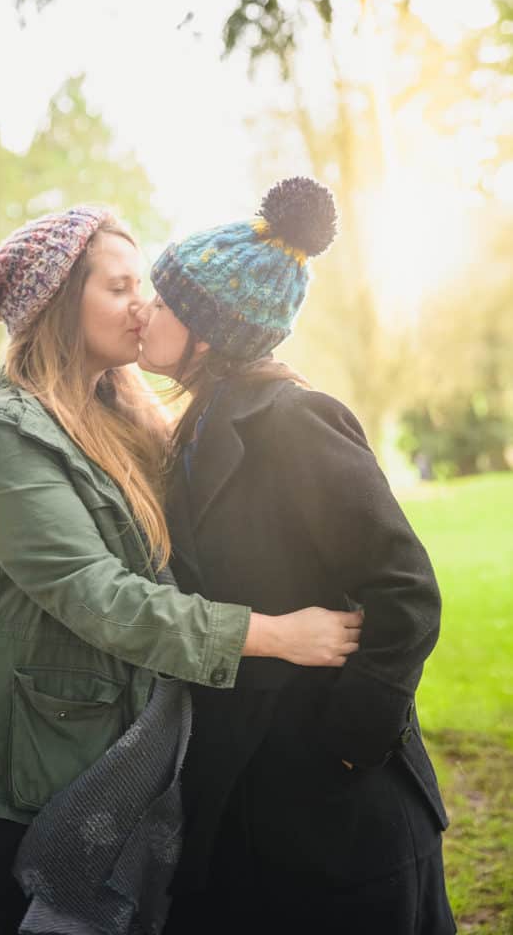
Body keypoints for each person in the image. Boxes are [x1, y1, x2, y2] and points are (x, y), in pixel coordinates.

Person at [0, 206, 362, 935]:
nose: (145, 304)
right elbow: (99, 598)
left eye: (144, 285)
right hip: (22, 789)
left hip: (126, 769)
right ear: (57, 304)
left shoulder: (126, 418)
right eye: (120, 287)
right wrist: (275, 636)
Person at [136, 177, 456, 934]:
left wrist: (349, 744)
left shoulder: (295, 420)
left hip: (340, 813)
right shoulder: (195, 425)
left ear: (207, 331)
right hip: (244, 796)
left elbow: (406, 592)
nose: (144, 311)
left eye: (163, 301)